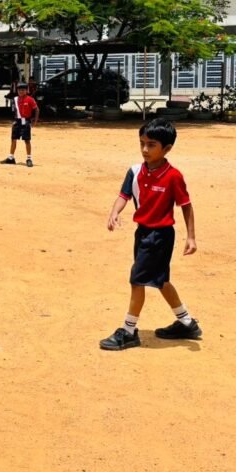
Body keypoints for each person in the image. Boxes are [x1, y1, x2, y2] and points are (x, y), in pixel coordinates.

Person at [100, 118, 200, 351]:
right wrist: (114, 212)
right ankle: (186, 322)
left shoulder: (173, 176)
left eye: (151, 145)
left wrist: (191, 237)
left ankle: (128, 330)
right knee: (160, 280)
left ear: (166, 149)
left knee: (137, 280)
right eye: (142, 143)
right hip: (142, 233)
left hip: (160, 236)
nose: (145, 149)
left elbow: (186, 205)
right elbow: (124, 195)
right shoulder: (135, 171)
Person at [0, 82, 38, 167]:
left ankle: (29, 158)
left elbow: (36, 110)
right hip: (17, 121)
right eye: (19, 90)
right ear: (17, 90)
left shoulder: (30, 99)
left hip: (26, 121)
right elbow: (13, 111)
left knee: (27, 140)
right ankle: (11, 158)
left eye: (23, 90)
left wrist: (35, 120)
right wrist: (13, 120)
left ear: (26, 90)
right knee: (13, 139)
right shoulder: (15, 99)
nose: (21, 91)